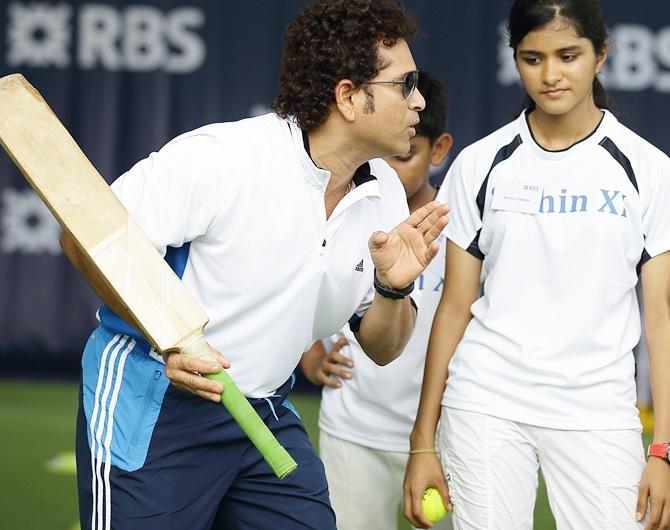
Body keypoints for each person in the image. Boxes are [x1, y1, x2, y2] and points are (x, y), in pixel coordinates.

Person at [59, 1, 450, 529]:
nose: (419, 101)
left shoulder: (383, 195)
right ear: (349, 97)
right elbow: (86, 236)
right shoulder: (225, 157)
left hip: (261, 412)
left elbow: (382, 348)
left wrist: (392, 289)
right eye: (404, 84)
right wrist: (165, 337)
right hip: (153, 405)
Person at [403, 1, 670, 529]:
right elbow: (454, 308)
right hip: (486, 403)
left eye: (568, 55)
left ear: (601, 55)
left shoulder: (649, 170)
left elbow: (660, 319)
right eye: (533, 58)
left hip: (598, 411)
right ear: (516, 61)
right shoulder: (482, 163)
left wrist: (662, 449)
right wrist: (421, 443)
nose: (550, 75)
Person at [300, 71, 453, 530]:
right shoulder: (347, 206)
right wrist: (310, 353)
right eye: (381, 156)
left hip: (447, 439)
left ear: (438, 150)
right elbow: (301, 281)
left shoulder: (460, 223)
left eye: (404, 156)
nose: (387, 169)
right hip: (355, 430)